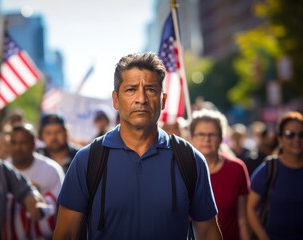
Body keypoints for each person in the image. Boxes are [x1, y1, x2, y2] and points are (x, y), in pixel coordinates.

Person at [53, 52, 222, 239]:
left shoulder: (190, 159)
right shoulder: (87, 160)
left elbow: (208, 233)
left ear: (163, 100)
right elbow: (66, 234)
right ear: (116, 100)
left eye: (150, 89)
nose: (141, 99)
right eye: (131, 89)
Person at [189, 109, 250, 240]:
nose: (207, 139)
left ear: (221, 137)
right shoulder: (184, 170)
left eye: (212, 134)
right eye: (200, 134)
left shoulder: (237, 168)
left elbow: (243, 218)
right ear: (191, 138)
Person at [247, 111, 303, 239]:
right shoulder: (269, 169)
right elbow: (250, 208)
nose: (296, 139)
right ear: (280, 138)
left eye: (301, 134)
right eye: (290, 135)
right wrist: (263, 237)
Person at [5, 122, 65, 239]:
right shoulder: (1, 171)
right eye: (14, 142)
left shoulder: (51, 170)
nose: (17, 147)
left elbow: (62, 209)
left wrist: (42, 208)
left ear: (34, 143)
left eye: (23, 142)